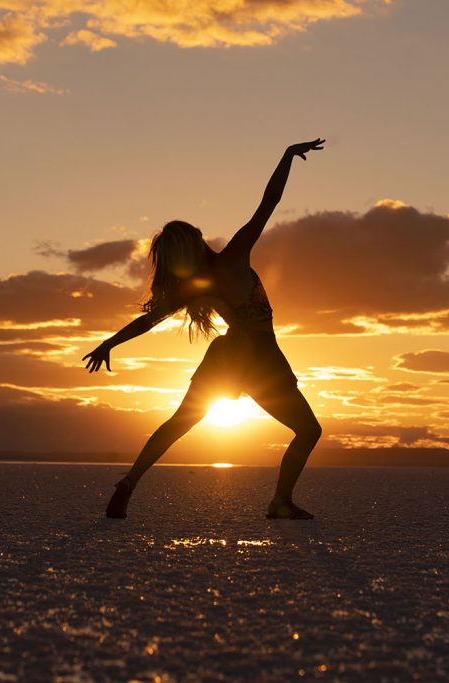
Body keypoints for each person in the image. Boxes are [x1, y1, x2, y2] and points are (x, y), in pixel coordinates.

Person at [82, 139, 326, 520]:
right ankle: (280, 502)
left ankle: (130, 481)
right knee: (309, 431)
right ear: (196, 239)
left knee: (181, 421)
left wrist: (110, 342)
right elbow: (268, 204)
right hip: (260, 357)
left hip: (227, 356)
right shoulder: (233, 257)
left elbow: (149, 320)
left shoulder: (199, 285)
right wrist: (286, 156)